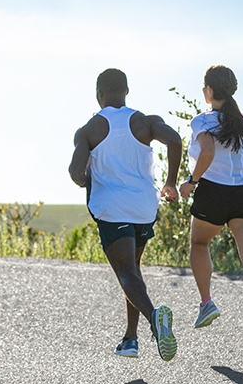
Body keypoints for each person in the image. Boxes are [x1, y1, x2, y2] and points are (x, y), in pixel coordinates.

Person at [69, 68, 181, 360]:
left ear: (99, 95)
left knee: (127, 274)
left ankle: (156, 321)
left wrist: (90, 181)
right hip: (144, 208)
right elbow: (175, 141)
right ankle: (130, 339)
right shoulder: (146, 121)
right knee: (133, 271)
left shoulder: (88, 130)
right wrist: (170, 182)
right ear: (127, 91)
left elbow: (75, 173)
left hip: (112, 210)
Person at [179, 65, 243, 337]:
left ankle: (206, 303)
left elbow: (208, 151)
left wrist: (191, 181)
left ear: (209, 91)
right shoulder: (242, 122)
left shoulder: (203, 120)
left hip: (213, 190)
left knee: (199, 244)